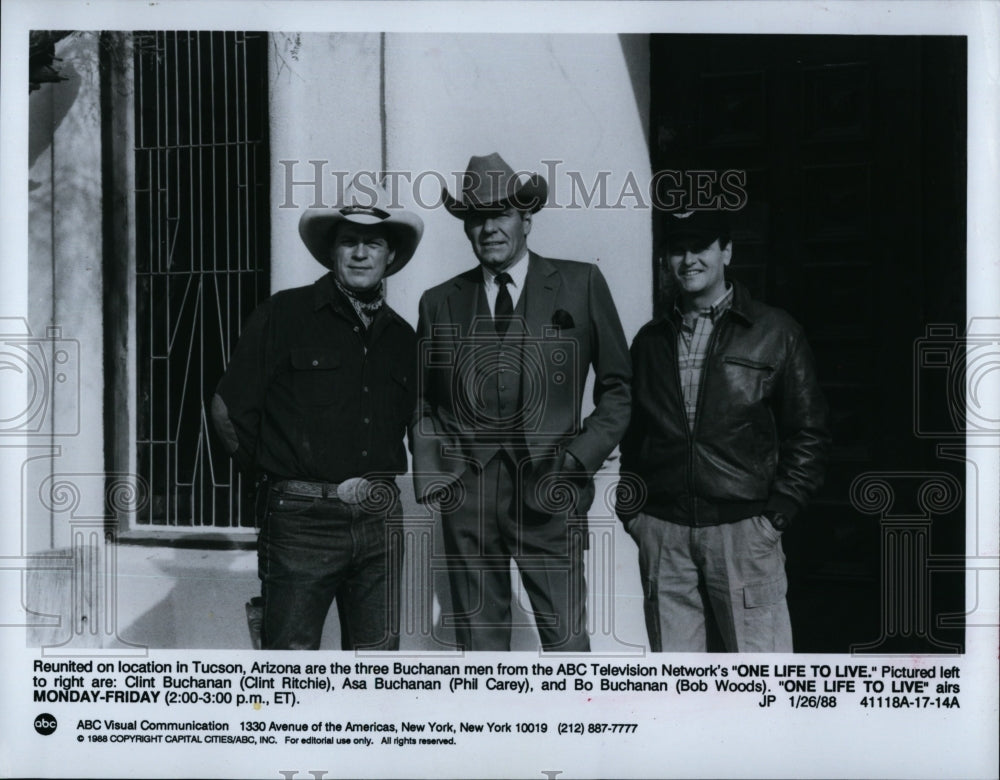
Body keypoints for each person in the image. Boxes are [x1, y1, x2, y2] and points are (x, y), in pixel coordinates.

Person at [411, 152, 631, 651]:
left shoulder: (579, 284)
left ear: (526, 218)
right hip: (469, 496)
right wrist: (440, 478)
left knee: (567, 644)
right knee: (483, 647)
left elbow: (620, 387)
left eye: (501, 213)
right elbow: (422, 402)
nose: (489, 227)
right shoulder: (438, 301)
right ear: (467, 227)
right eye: (477, 217)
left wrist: (579, 459)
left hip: (551, 489)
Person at [211, 184, 423, 650]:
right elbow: (228, 411)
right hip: (300, 520)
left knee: (377, 667)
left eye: (375, 244)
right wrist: (278, 477)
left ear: (390, 256)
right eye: (350, 242)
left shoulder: (403, 337)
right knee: (291, 667)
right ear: (332, 252)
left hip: (380, 519)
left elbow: (415, 423)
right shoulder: (283, 314)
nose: (361, 254)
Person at [618, 208, 830, 652]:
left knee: (761, 684)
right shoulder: (650, 340)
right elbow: (635, 434)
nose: (688, 259)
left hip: (744, 533)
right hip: (664, 534)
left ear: (726, 251)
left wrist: (776, 515)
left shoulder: (775, 331)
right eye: (677, 249)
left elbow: (808, 432)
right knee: (676, 692)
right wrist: (636, 515)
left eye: (700, 247)